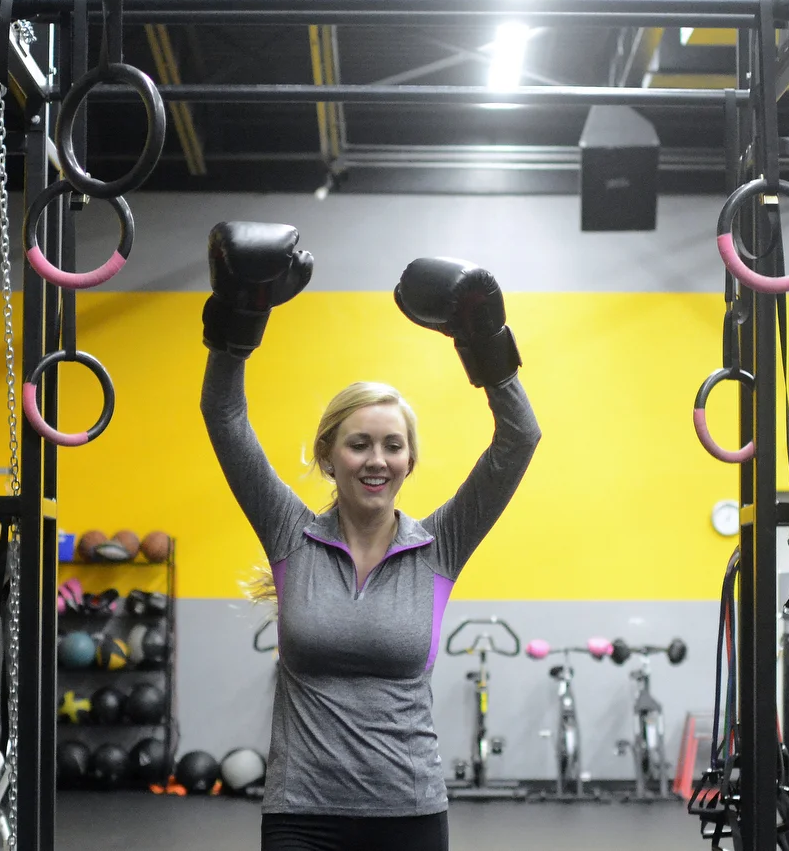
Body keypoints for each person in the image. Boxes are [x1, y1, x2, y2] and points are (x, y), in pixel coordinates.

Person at [199, 222, 541, 851]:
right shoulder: (289, 532)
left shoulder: (439, 545)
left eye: (393, 445)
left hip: (408, 812)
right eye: (359, 444)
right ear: (329, 457)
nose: (376, 460)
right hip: (301, 814)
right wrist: (237, 319)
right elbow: (224, 417)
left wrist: (486, 345)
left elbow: (520, 437)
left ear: (410, 460)